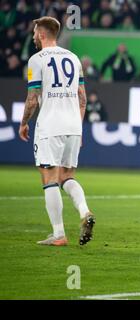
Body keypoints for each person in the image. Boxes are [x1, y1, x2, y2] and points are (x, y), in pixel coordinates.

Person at [18, 16, 95, 246]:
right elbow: (82, 99)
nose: (33, 36)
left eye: (34, 32)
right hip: (73, 126)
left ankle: (59, 234)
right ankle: (84, 212)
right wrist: (79, 127)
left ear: (42, 34)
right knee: (67, 176)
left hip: (50, 125)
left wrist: (23, 123)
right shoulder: (73, 58)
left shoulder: (36, 60)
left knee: (49, 179)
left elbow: (32, 99)